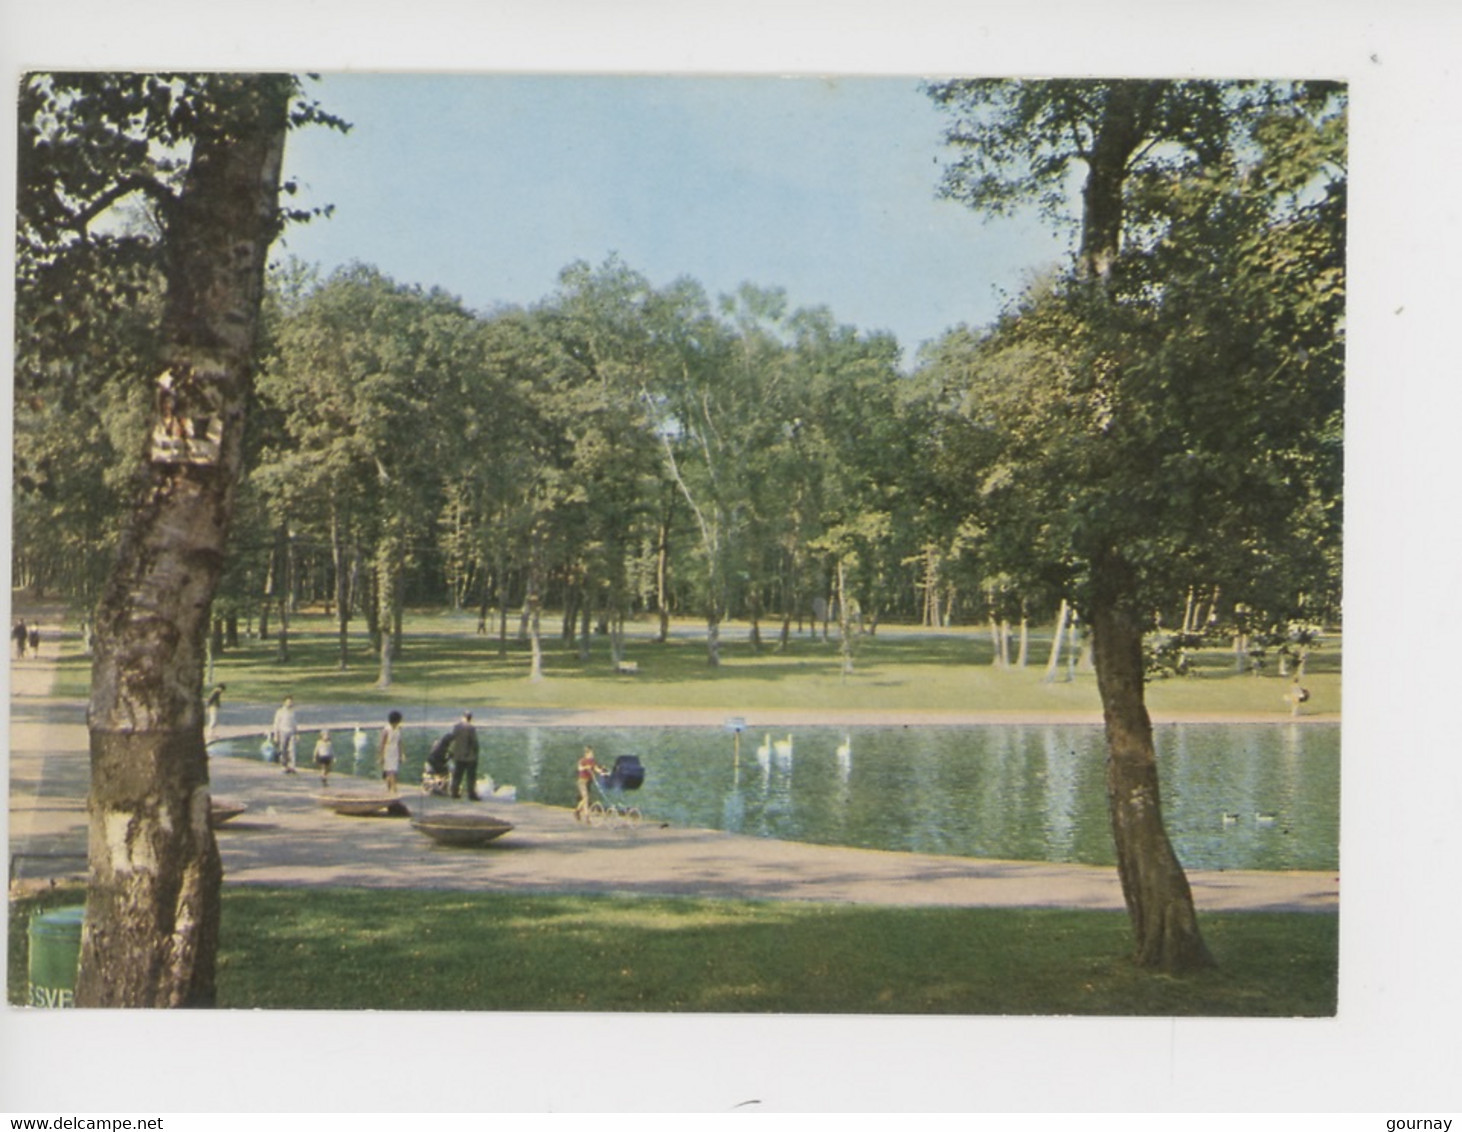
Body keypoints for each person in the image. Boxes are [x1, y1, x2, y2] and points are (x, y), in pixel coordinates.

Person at [449, 711, 481, 801]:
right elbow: (474, 742)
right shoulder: (471, 728)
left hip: (458, 755)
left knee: (457, 775)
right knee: (471, 776)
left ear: (463, 717)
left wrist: (452, 752)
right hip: (470, 757)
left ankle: (454, 792)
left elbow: (453, 740)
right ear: (470, 718)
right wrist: (476, 753)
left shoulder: (456, 727)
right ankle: (471, 794)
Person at [574, 745, 606, 822]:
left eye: (593, 753)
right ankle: (587, 817)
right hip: (582, 781)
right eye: (591, 753)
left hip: (589, 782)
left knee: (584, 799)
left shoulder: (592, 761)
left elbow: (596, 769)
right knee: (586, 798)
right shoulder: (582, 760)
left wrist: (602, 771)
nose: (592, 755)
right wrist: (586, 767)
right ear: (587, 754)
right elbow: (579, 768)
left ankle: (577, 811)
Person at [271, 695, 299, 774]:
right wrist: (276, 735)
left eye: (291, 702)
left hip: (291, 732)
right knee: (283, 749)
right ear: (284, 702)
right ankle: (284, 765)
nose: (290, 703)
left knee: (292, 749)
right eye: (288, 702)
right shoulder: (280, 712)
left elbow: (294, 723)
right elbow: (276, 724)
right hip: (283, 732)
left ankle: (292, 766)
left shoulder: (292, 712)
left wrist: (296, 733)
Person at [379, 710, 405, 794]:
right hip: (388, 752)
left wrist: (401, 755)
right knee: (390, 772)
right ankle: (393, 789)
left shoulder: (398, 730)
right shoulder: (386, 730)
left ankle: (391, 789)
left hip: (395, 752)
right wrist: (381, 756)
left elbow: (400, 743)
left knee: (392, 772)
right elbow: (382, 744)